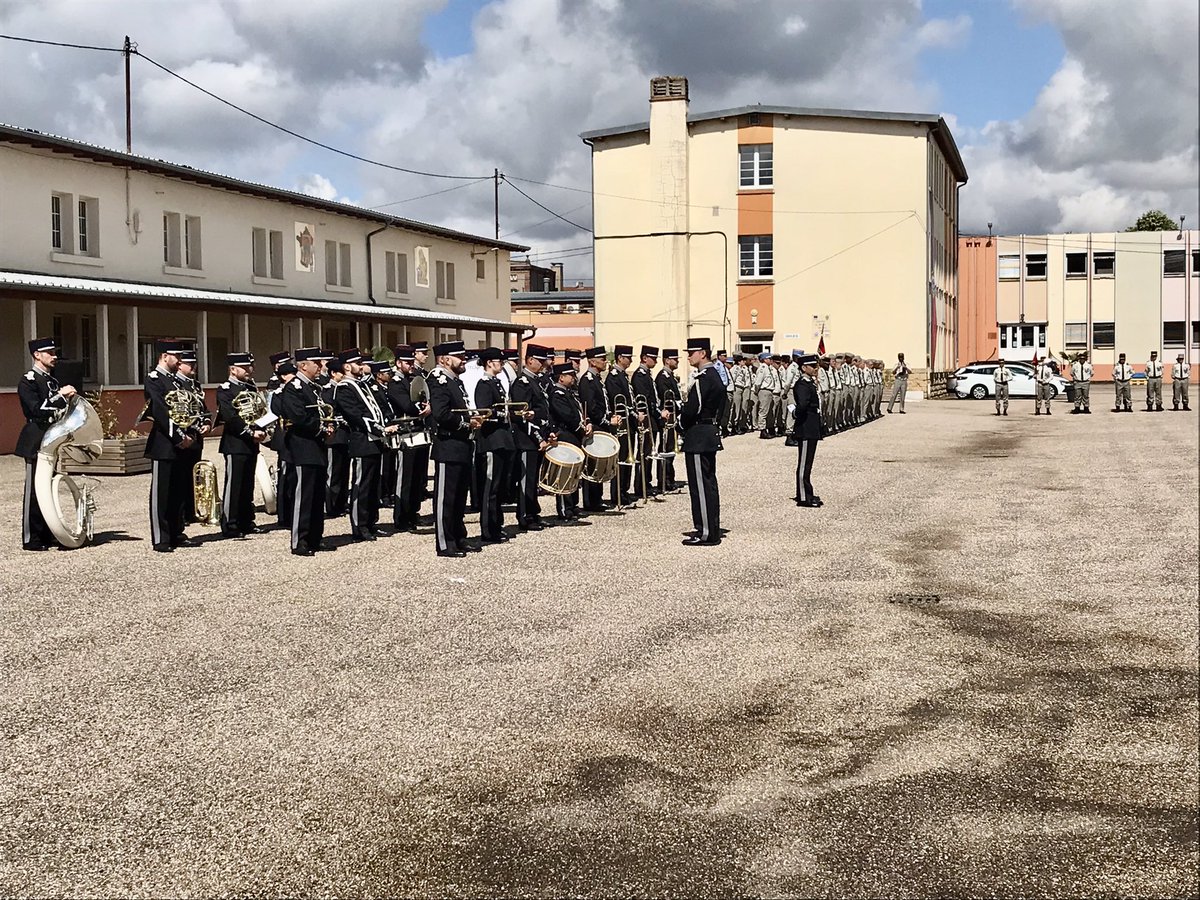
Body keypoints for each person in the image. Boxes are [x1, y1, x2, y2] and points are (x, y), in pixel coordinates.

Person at [16, 337, 78, 551]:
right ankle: (31, 537)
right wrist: (60, 397)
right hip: (36, 438)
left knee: (49, 488)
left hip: (52, 437)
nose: (54, 356)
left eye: (54, 351)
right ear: (37, 355)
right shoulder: (29, 380)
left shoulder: (53, 379)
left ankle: (47, 531)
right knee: (34, 490)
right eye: (49, 352)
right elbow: (36, 410)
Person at [427, 341, 484, 557]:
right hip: (448, 444)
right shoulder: (438, 379)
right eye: (459, 357)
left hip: (462, 444)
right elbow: (441, 414)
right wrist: (466, 423)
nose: (463, 361)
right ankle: (445, 543)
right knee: (446, 498)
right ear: (445, 359)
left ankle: (459, 537)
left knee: (460, 497)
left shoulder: (455, 381)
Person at [279, 348, 336, 556]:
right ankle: (300, 540)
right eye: (316, 363)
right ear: (303, 365)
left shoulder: (313, 387)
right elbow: (299, 416)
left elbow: (323, 411)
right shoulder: (294, 387)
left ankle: (315, 537)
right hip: (303, 446)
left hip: (317, 446)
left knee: (316, 494)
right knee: (303, 495)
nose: (320, 367)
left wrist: (329, 426)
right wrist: (321, 428)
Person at [336, 356, 396, 542]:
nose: (362, 367)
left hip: (374, 440)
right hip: (362, 440)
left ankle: (371, 522)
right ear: (347, 366)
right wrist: (379, 428)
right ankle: (359, 526)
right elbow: (355, 415)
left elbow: (375, 408)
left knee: (372, 485)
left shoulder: (362, 385)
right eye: (358, 364)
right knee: (361, 485)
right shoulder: (344, 388)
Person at [216, 352, 269, 539]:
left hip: (251, 443)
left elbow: (259, 411)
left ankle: (247, 521)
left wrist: (262, 430)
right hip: (235, 443)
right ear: (233, 369)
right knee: (234, 485)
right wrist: (250, 432)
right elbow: (230, 417)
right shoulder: (225, 389)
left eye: (250, 367)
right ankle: (230, 523)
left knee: (248, 485)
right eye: (245, 368)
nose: (250, 370)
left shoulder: (251, 387)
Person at [680, 336, 725, 546]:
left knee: (701, 486)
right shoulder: (714, 375)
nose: (688, 356)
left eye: (691, 352)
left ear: (702, 353)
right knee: (707, 484)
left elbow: (693, 409)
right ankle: (708, 527)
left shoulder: (704, 377)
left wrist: (681, 419)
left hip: (698, 434)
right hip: (707, 432)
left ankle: (706, 532)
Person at [509, 345, 553, 530]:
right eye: (539, 361)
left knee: (534, 479)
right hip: (527, 440)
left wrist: (547, 432)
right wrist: (537, 437)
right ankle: (525, 515)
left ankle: (533, 512)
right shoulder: (522, 383)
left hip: (537, 438)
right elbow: (522, 414)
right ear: (529, 360)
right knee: (527, 480)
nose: (542, 365)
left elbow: (542, 411)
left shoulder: (535, 381)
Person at [387, 345, 430, 532]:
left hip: (418, 431)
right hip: (405, 433)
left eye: (412, 362)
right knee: (405, 477)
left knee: (417, 477)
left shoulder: (412, 378)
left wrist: (426, 406)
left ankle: (413, 512)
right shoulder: (395, 382)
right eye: (407, 362)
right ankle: (402, 516)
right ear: (398, 363)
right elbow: (405, 404)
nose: (411, 365)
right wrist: (421, 408)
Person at [474, 348, 514, 543]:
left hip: (501, 439)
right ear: (489, 362)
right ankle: (488, 529)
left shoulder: (495, 383)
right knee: (491, 487)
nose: (502, 364)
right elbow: (485, 410)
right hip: (491, 439)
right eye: (499, 361)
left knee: (499, 487)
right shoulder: (484, 384)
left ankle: (496, 525)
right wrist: (502, 413)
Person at [547, 361, 590, 523]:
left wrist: (586, 422)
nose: (573, 378)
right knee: (565, 473)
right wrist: (580, 427)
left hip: (574, 436)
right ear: (561, 377)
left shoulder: (569, 393)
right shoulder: (557, 394)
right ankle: (565, 508)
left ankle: (573, 505)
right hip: (565, 435)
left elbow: (578, 412)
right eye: (570, 375)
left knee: (574, 473)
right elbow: (566, 416)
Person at [578, 345, 614, 512]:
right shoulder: (588, 380)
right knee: (592, 464)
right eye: (602, 359)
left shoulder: (597, 379)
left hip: (602, 425)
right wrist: (607, 421)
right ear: (592, 361)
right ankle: (590, 500)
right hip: (596, 425)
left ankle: (596, 498)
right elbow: (591, 407)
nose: (605, 362)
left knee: (599, 464)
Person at [605, 344, 638, 506]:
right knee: (621, 459)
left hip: (629, 422)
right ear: (620, 358)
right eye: (628, 357)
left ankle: (624, 490)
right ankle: (618, 492)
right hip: (621, 421)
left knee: (627, 458)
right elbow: (617, 399)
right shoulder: (613, 376)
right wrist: (633, 413)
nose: (630, 360)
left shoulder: (622, 375)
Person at [323, 351, 355, 518]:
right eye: (341, 373)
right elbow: (329, 410)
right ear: (333, 373)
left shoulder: (344, 388)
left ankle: (342, 502)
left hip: (345, 434)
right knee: (333, 472)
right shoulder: (328, 390)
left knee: (344, 472)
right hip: (334, 434)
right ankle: (331, 504)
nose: (344, 375)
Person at [630, 345, 663, 497]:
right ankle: (641, 484)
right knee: (644, 453)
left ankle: (646, 482)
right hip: (648, 417)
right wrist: (657, 413)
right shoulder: (640, 376)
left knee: (648, 453)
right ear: (644, 358)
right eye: (653, 358)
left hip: (652, 418)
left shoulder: (647, 375)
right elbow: (644, 400)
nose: (655, 360)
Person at [268, 361, 298, 528]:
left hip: (297, 440)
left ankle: (294, 511)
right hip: (285, 439)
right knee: (286, 477)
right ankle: (284, 514)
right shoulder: (279, 393)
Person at [793, 354, 823, 508]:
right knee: (804, 464)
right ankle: (804, 497)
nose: (815, 369)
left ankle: (807, 492)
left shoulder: (810, 382)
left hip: (811, 426)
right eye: (812, 366)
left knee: (808, 463)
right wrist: (795, 414)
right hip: (805, 427)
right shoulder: (802, 384)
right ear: (804, 368)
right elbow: (803, 405)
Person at [655, 349, 683, 492]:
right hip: (667, 417)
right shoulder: (663, 377)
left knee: (670, 449)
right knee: (666, 449)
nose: (677, 361)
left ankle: (669, 478)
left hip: (673, 417)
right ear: (667, 360)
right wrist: (678, 404)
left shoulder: (669, 375)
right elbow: (666, 398)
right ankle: (664, 480)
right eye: (675, 359)